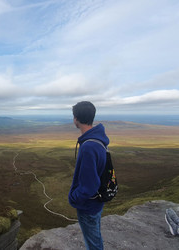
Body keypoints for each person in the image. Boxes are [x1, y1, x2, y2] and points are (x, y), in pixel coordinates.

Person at [68, 101, 109, 250]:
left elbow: (89, 186)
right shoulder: (99, 139)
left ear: (76, 119)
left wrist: (74, 197)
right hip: (96, 202)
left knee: (93, 243)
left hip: (88, 205)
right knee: (95, 238)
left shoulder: (88, 147)